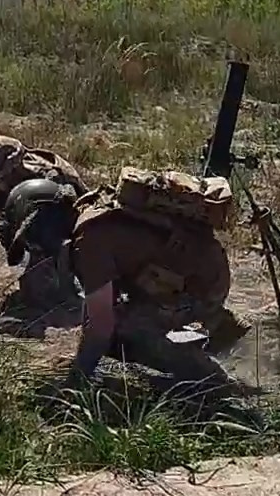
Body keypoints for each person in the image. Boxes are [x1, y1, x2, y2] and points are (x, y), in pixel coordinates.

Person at [36, 168, 250, 396]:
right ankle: (213, 320)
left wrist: (75, 380)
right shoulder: (91, 214)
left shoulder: (89, 243)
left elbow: (101, 326)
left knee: (123, 333)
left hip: (202, 283)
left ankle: (213, 380)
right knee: (117, 323)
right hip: (193, 270)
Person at [0, 135, 87, 309]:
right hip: (23, 212)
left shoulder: (52, 184)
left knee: (39, 298)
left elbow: (80, 225)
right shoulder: (11, 179)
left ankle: (59, 283)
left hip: (61, 230)